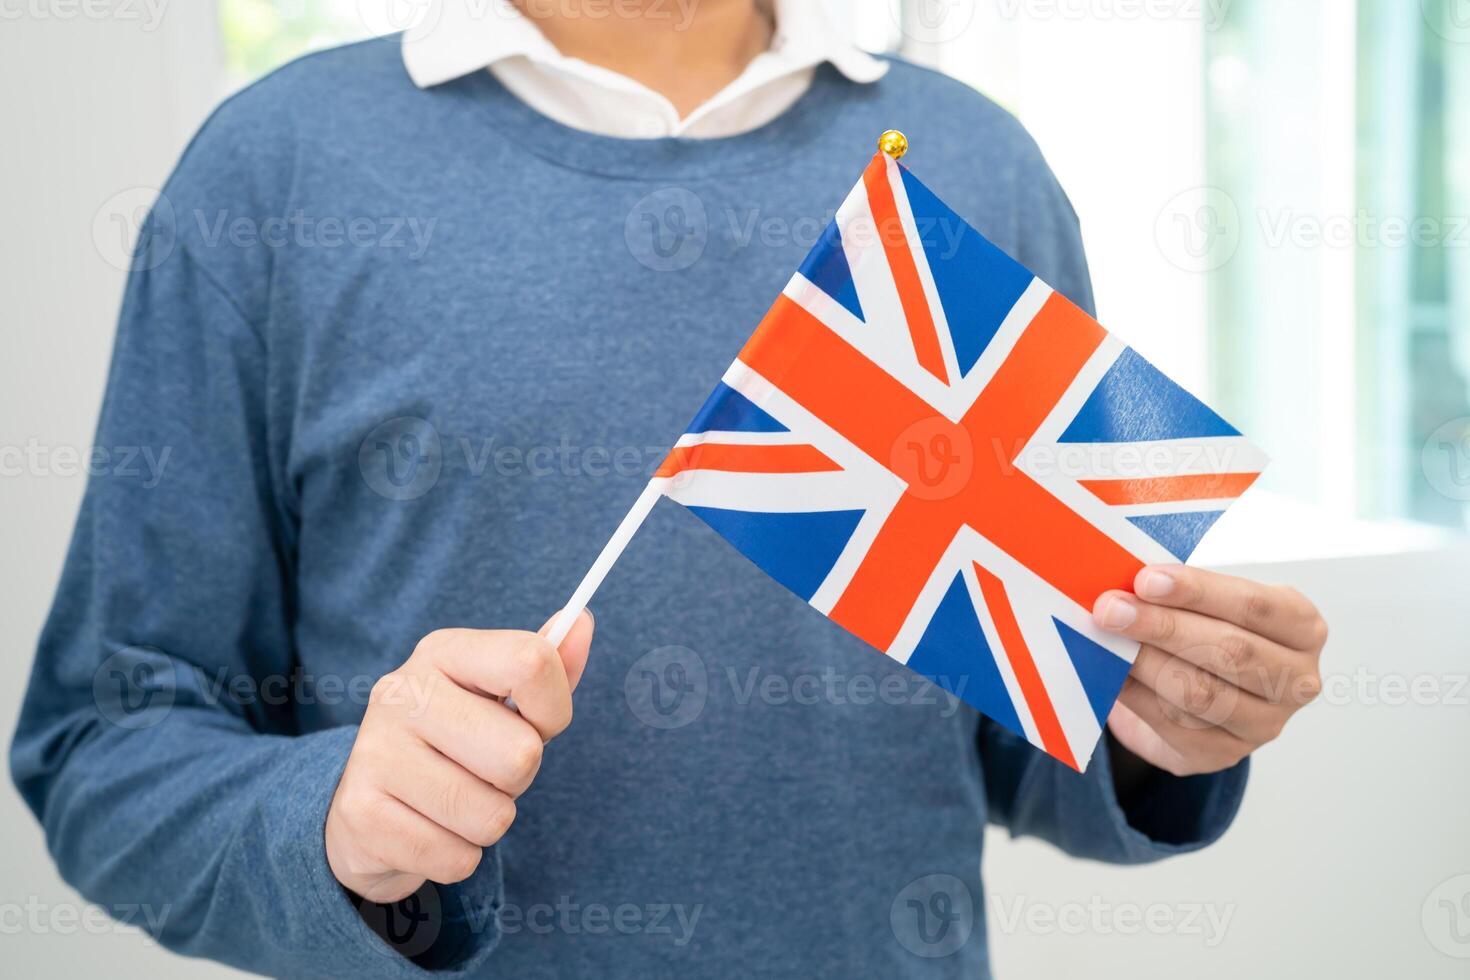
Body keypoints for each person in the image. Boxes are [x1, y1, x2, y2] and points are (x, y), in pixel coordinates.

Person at [11, 1, 1328, 976]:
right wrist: (335, 824)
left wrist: (1159, 733)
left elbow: (1026, 732)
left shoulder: (974, 167)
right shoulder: (272, 171)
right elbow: (99, 750)